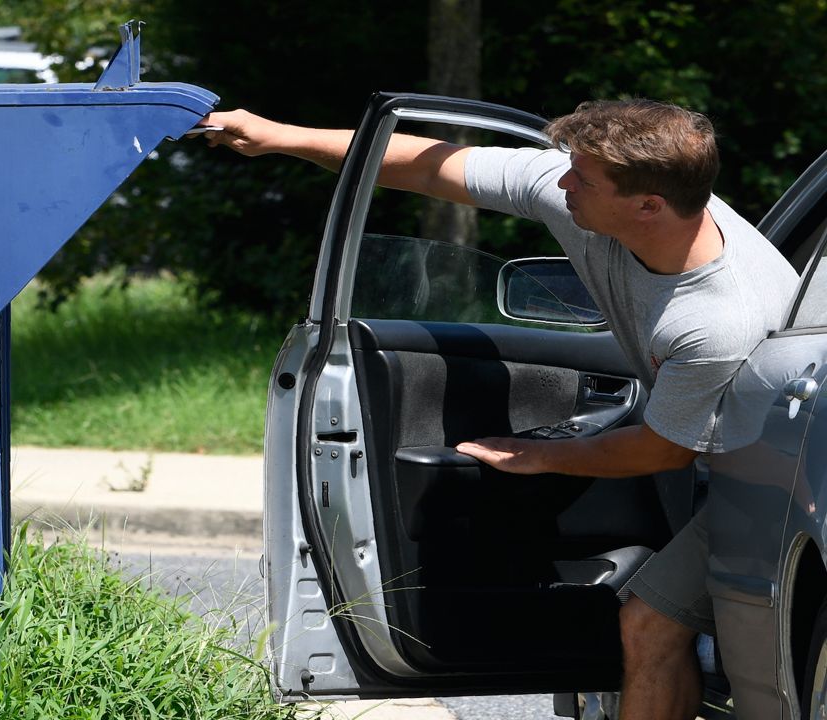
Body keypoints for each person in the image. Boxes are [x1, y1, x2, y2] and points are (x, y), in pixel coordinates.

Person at [201, 100, 797, 720]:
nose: (561, 181)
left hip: (781, 478)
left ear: (647, 206)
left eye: (581, 179)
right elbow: (436, 167)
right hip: (742, 452)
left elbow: (663, 450)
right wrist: (279, 134)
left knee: (649, 625)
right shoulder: (606, 198)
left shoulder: (716, 321)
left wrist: (542, 455)